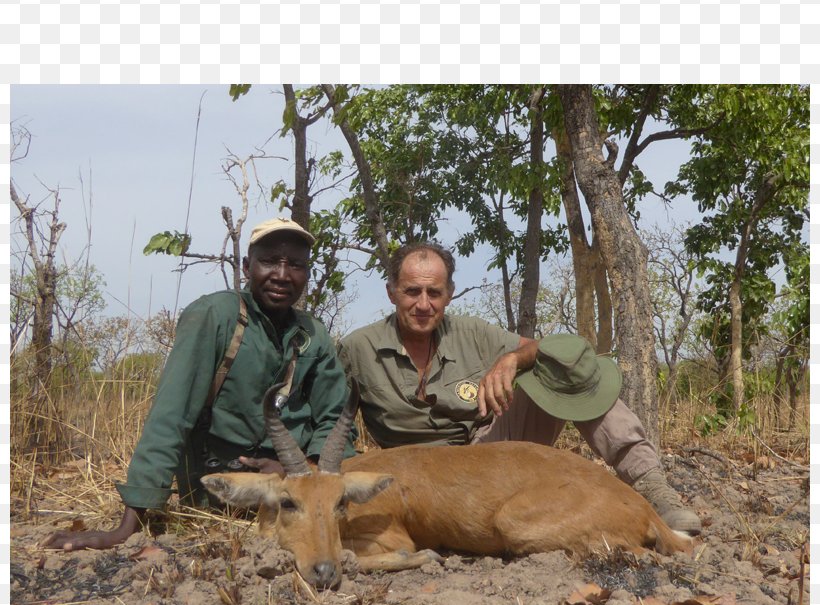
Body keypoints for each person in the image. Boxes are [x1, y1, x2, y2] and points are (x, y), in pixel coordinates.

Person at [338, 241, 701, 536]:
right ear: (391, 293)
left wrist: (513, 360)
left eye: (434, 292)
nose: (423, 304)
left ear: (449, 295)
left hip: (486, 458)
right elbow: (334, 423)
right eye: (411, 291)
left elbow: (559, 351)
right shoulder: (357, 348)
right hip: (411, 481)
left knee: (565, 372)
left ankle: (653, 487)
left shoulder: (473, 333)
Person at [44, 218, 355, 551]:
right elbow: (171, 415)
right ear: (247, 267)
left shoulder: (313, 334)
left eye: (295, 265)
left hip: (296, 491)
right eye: (269, 262)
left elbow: (335, 421)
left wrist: (302, 473)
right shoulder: (214, 316)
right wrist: (125, 528)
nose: (282, 274)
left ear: (306, 274)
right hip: (220, 492)